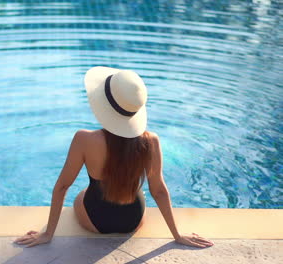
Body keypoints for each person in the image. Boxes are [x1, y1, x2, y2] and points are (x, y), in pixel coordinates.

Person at [14, 66, 214, 248]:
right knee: (134, 189)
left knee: (81, 194)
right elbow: (159, 190)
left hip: (95, 221)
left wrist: (48, 233)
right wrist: (177, 235)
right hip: (132, 220)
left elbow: (62, 186)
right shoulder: (151, 141)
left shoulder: (84, 139)